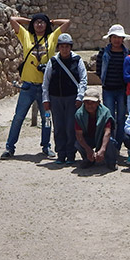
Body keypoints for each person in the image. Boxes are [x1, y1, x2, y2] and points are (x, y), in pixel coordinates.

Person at [0, 13, 69, 160]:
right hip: (28, 86)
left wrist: (51, 20)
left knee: (46, 118)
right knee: (18, 117)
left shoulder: (52, 37)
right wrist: (29, 21)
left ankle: (46, 146)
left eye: (42, 22)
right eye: (37, 22)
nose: (39, 25)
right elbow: (12, 20)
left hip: (45, 87)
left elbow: (67, 22)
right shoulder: (26, 36)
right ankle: (9, 148)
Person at [42, 33, 87, 165]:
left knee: (70, 127)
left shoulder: (77, 60)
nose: (65, 49)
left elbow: (83, 80)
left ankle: (71, 154)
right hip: (55, 98)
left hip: (72, 98)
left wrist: (80, 97)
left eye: (67, 46)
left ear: (71, 47)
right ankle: (61, 154)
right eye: (62, 46)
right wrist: (46, 99)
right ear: (58, 47)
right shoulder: (53, 61)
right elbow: (46, 81)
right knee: (59, 127)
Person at [97, 24, 130, 154]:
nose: (117, 40)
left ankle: (117, 145)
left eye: (119, 37)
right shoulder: (103, 53)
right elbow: (99, 71)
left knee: (122, 118)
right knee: (109, 118)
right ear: (110, 38)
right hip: (108, 90)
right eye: (114, 37)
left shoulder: (127, 54)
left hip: (122, 90)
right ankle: (110, 144)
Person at [74, 90, 118, 170]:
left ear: (98, 103)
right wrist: (88, 150)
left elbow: (107, 132)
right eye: (87, 102)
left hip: (101, 137)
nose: (89, 105)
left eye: (92, 102)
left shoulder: (105, 113)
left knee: (110, 141)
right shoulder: (79, 114)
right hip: (88, 137)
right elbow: (79, 134)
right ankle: (88, 159)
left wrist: (102, 149)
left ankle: (111, 162)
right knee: (78, 143)